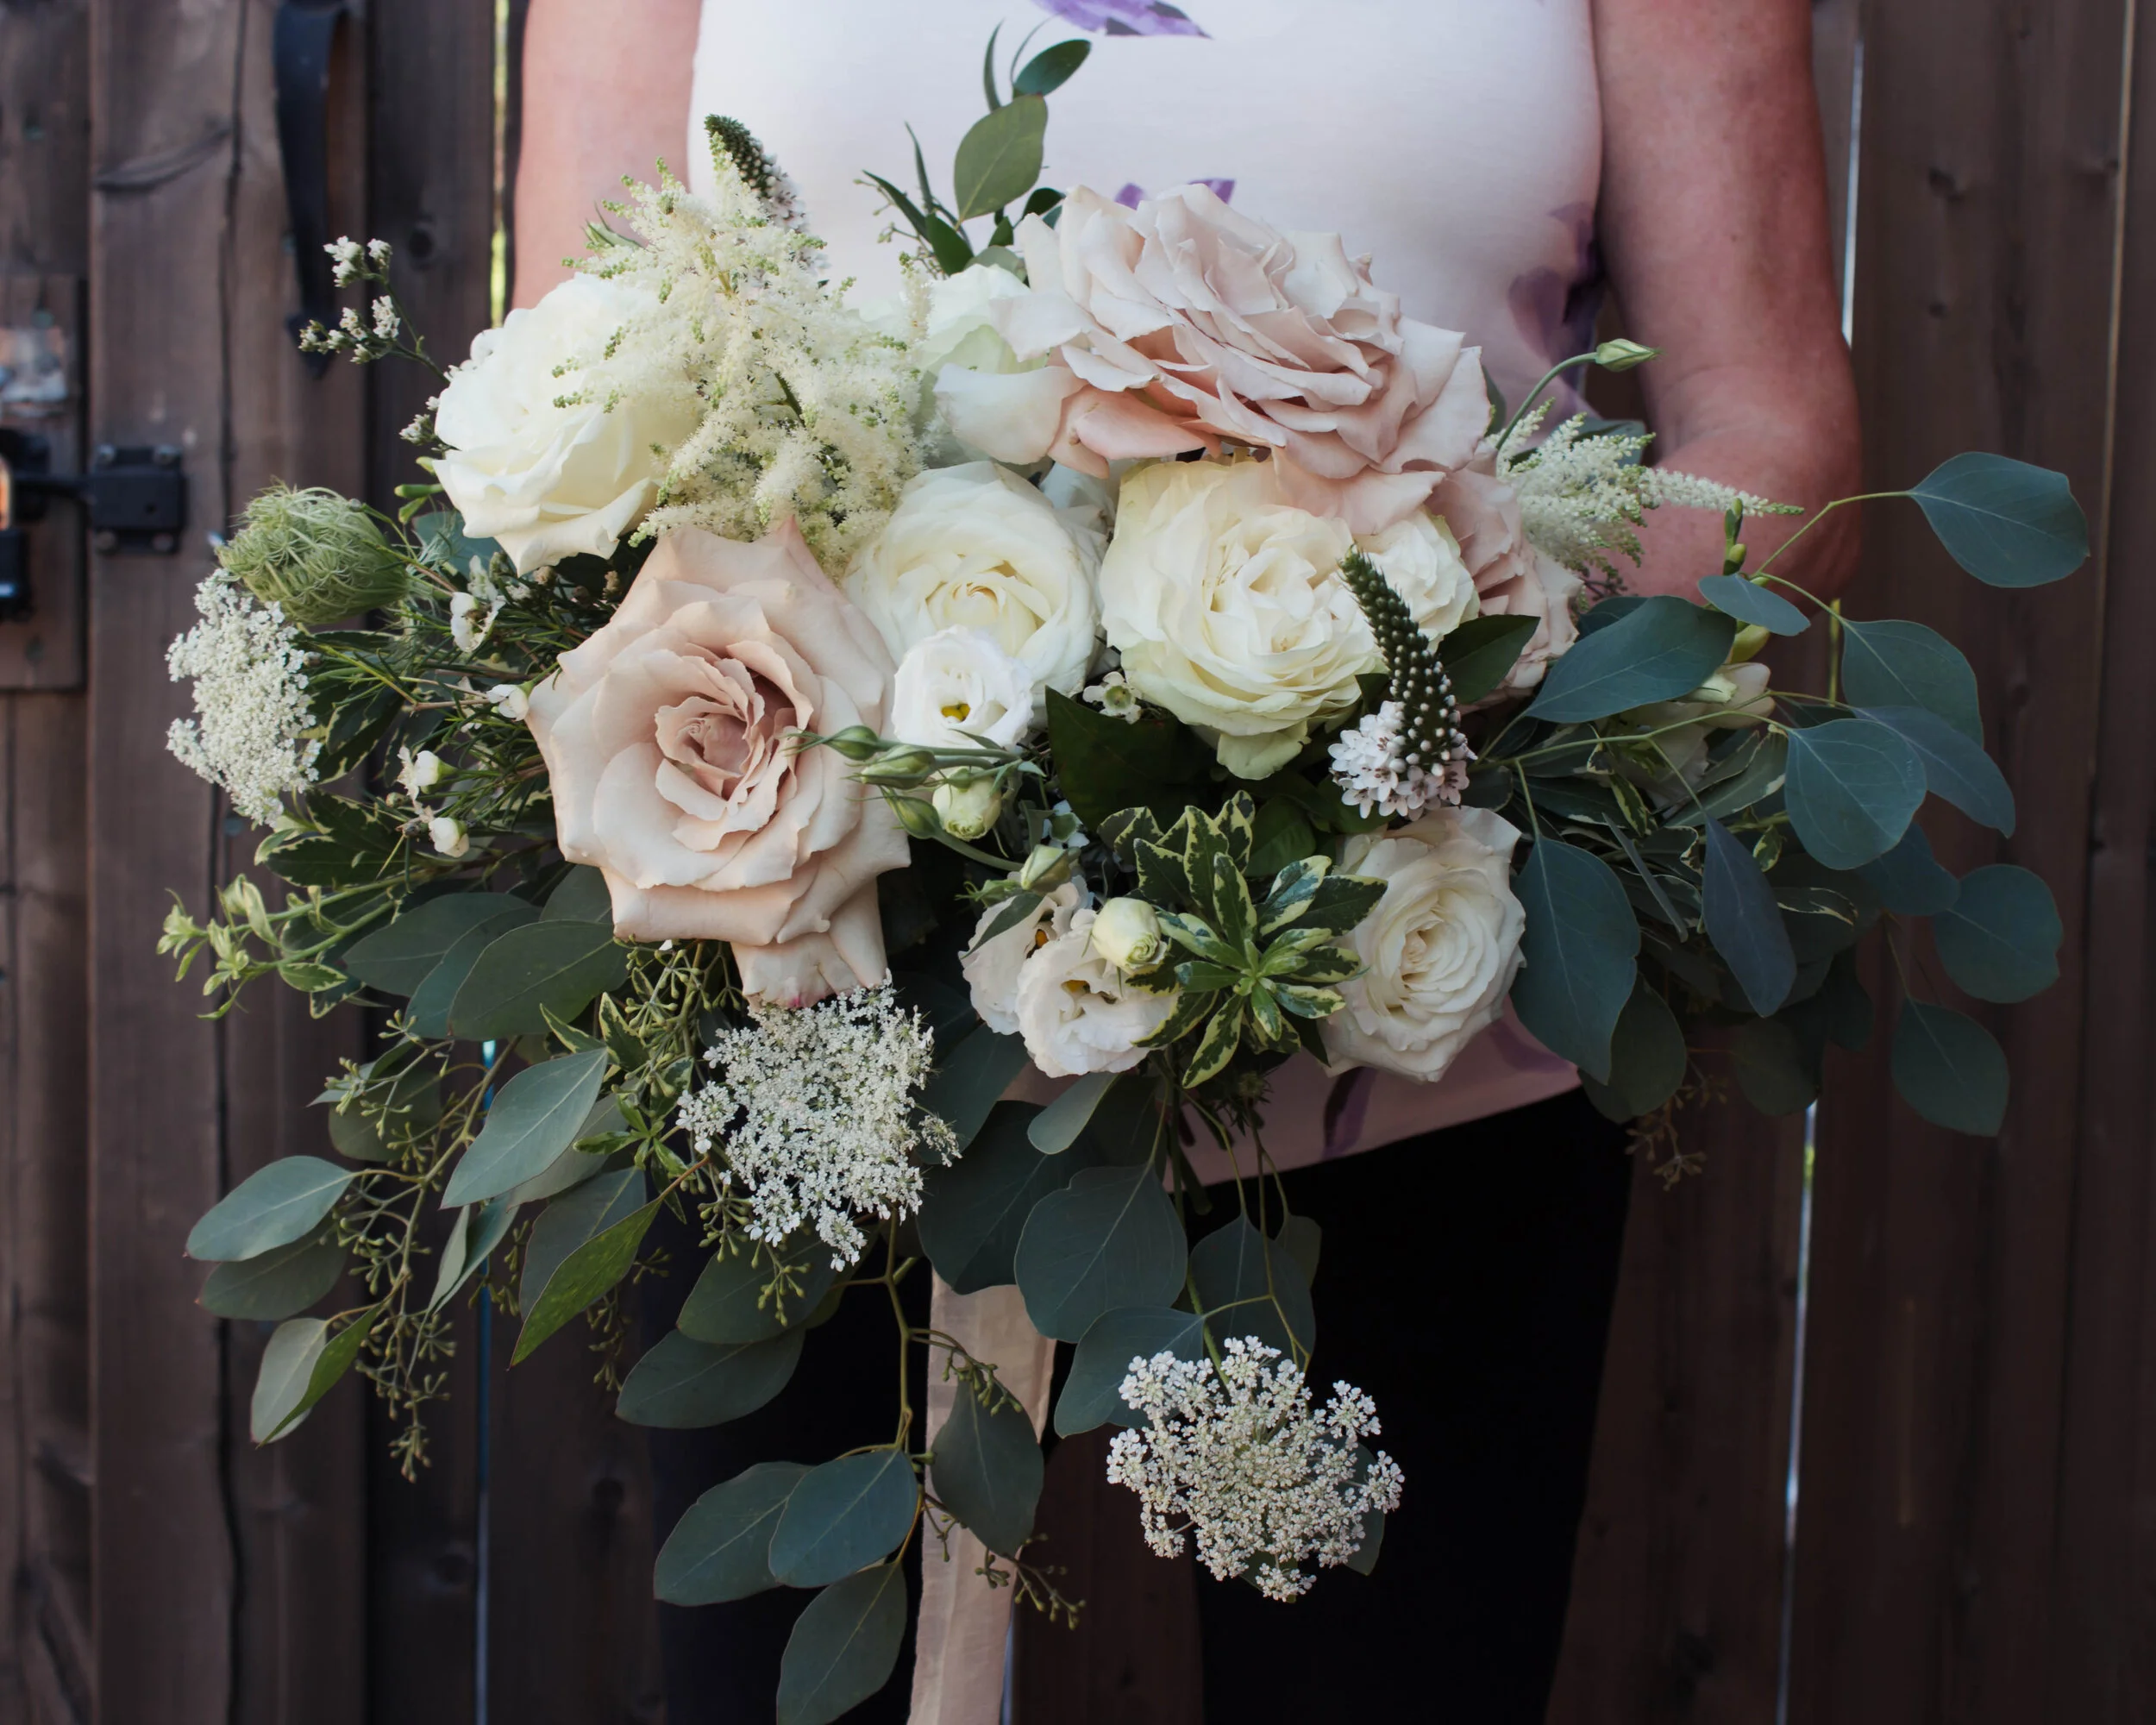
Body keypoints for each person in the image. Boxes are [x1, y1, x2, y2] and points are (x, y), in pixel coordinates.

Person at [514, 3, 1860, 1719]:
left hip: (1408, 992)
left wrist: (1434, 736)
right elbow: (568, 398)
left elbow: (1765, 429)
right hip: (799, 1006)